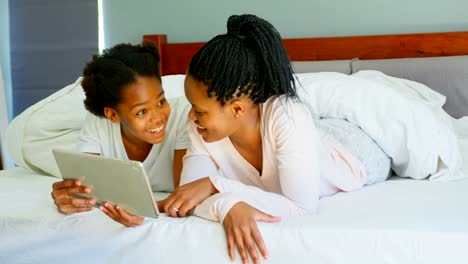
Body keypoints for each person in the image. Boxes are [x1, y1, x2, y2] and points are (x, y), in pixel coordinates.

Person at [162, 14, 368, 264]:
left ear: (237, 109)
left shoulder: (288, 115)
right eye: (192, 106)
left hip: (354, 151)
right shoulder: (200, 124)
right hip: (300, 138)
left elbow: (301, 208)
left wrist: (217, 185)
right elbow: (189, 197)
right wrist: (227, 205)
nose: (191, 115)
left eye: (200, 110)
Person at [51, 41, 190, 227]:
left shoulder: (183, 115)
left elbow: (184, 193)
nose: (157, 118)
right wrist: (69, 198)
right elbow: (87, 190)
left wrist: (143, 209)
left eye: (161, 101)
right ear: (113, 115)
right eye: (141, 112)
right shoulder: (98, 122)